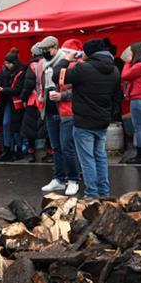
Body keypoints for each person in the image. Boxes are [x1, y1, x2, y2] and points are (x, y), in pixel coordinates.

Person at [57, 39, 122, 199]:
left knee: (87, 160)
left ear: (88, 52)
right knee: (100, 157)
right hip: (102, 120)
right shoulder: (114, 70)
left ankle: (92, 194)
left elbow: (58, 77)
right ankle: (104, 193)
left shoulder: (83, 68)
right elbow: (117, 97)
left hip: (84, 121)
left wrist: (66, 60)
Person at [38, 36, 80, 197]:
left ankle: (73, 179)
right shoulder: (43, 64)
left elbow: (79, 90)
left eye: (47, 50)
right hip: (50, 109)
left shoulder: (71, 64)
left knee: (67, 147)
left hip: (66, 111)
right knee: (56, 147)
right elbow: (41, 86)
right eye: (42, 50)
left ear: (56, 48)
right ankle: (59, 178)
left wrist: (62, 96)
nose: (44, 52)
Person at [0, 51, 25, 161]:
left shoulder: (21, 71)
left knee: (16, 127)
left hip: (17, 103)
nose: (7, 65)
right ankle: (7, 149)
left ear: (14, 63)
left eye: (9, 63)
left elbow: (18, 89)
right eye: (5, 63)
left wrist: (2, 90)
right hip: (7, 102)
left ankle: (18, 149)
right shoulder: (4, 70)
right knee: (6, 124)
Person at [20, 44, 44, 163]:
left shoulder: (32, 65)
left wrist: (23, 98)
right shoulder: (48, 63)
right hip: (46, 100)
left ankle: (31, 152)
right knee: (46, 128)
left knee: (30, 128)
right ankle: (50, 152)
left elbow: (28, 84)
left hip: (33, 100)